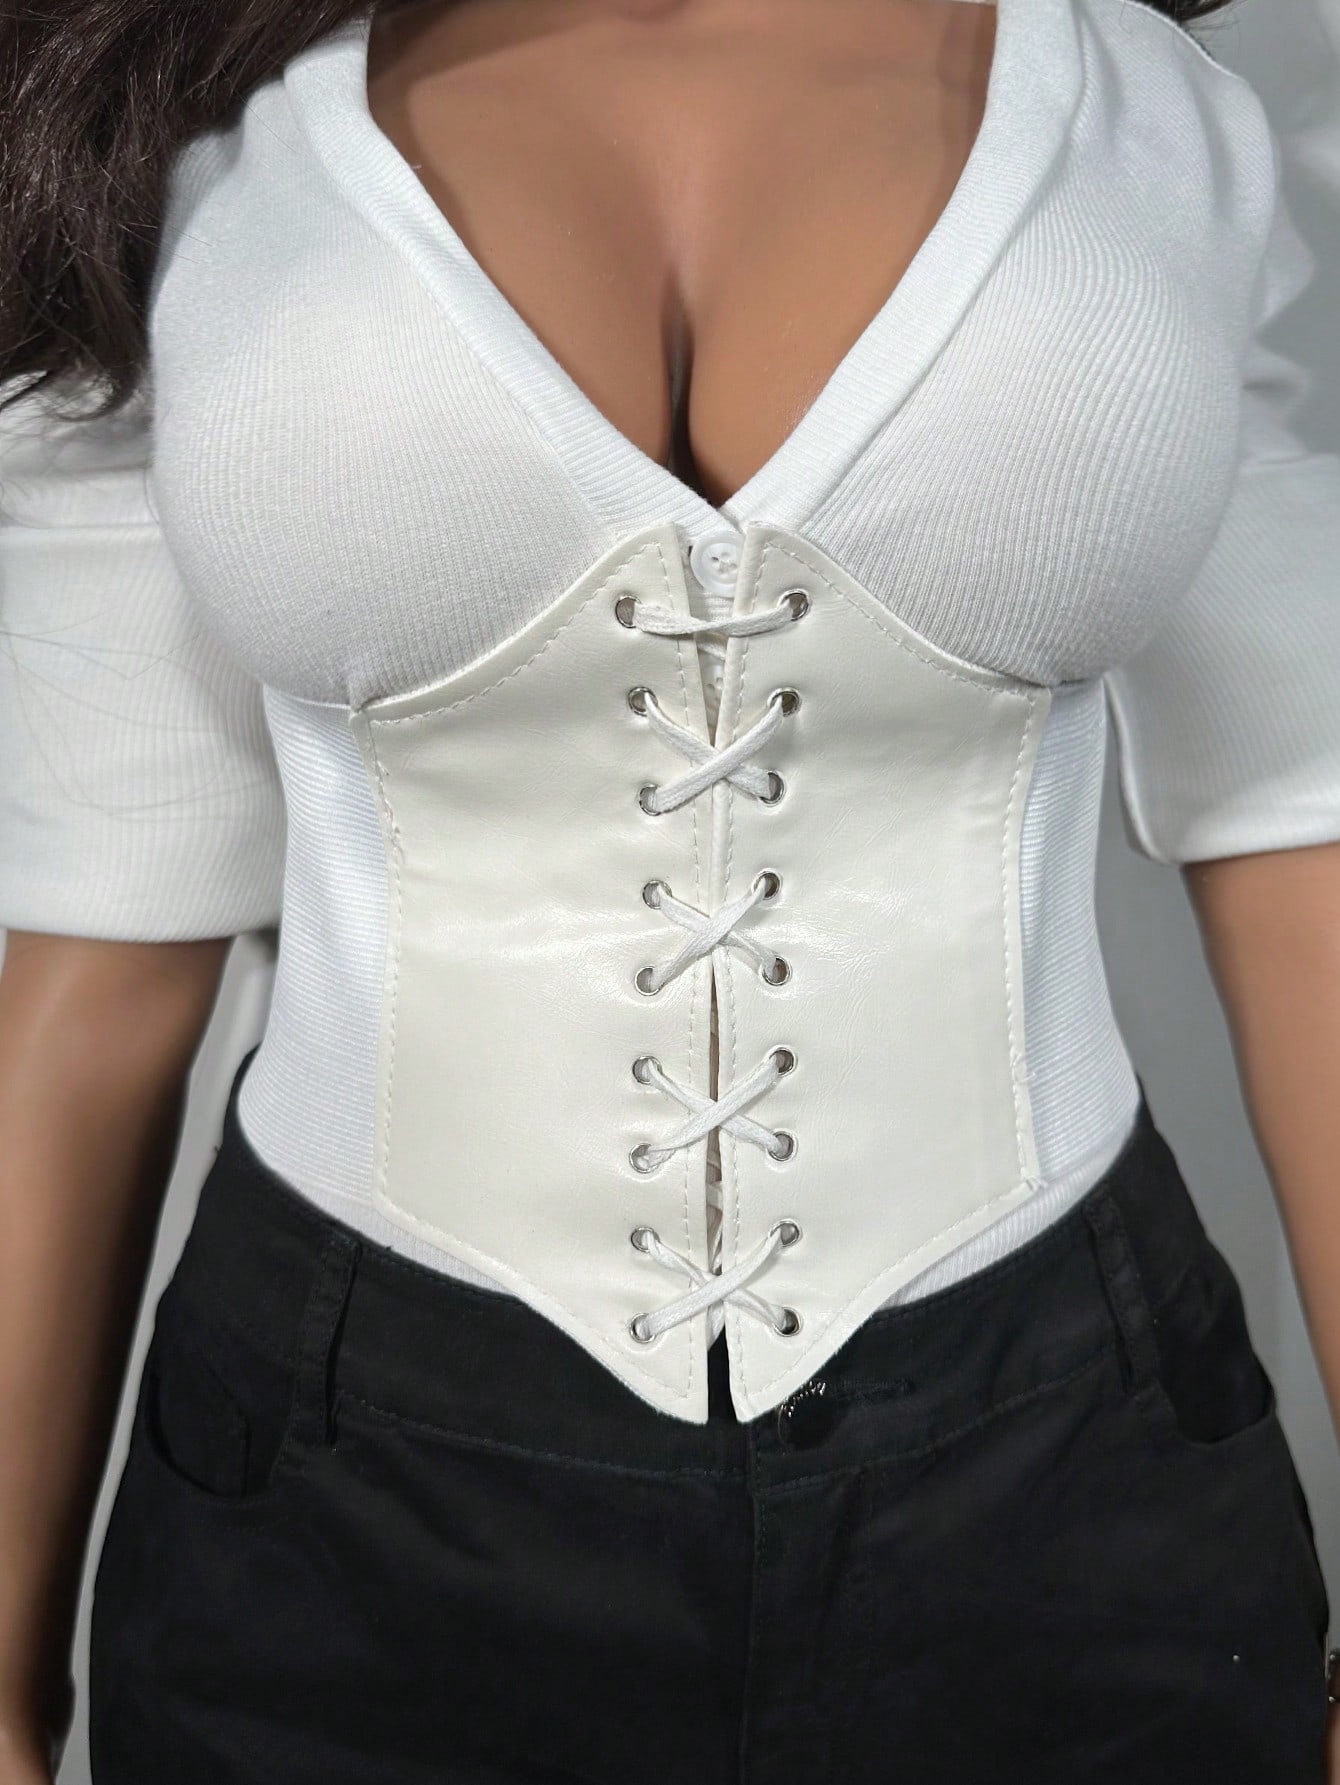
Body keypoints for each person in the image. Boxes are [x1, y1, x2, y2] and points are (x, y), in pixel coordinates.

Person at [2, 0, 1338, 1778]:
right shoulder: (180, 133)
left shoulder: (1152, 126)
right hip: (341, 1495)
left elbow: (1299, 833)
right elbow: (100, 942)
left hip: (1066, 1463)